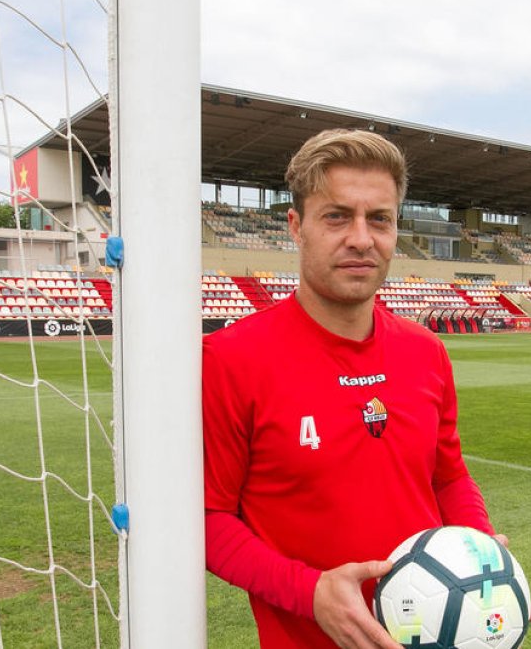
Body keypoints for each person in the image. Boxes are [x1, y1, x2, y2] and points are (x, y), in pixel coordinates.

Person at [203, 129, 504, 649]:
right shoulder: (229, 360)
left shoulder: (425, 351)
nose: (361, 238)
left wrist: (478, 550)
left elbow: (448, 476)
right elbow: (208, 520)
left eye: (379, 219)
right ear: (296, 227)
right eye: (337, 216)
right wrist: (310, 592)